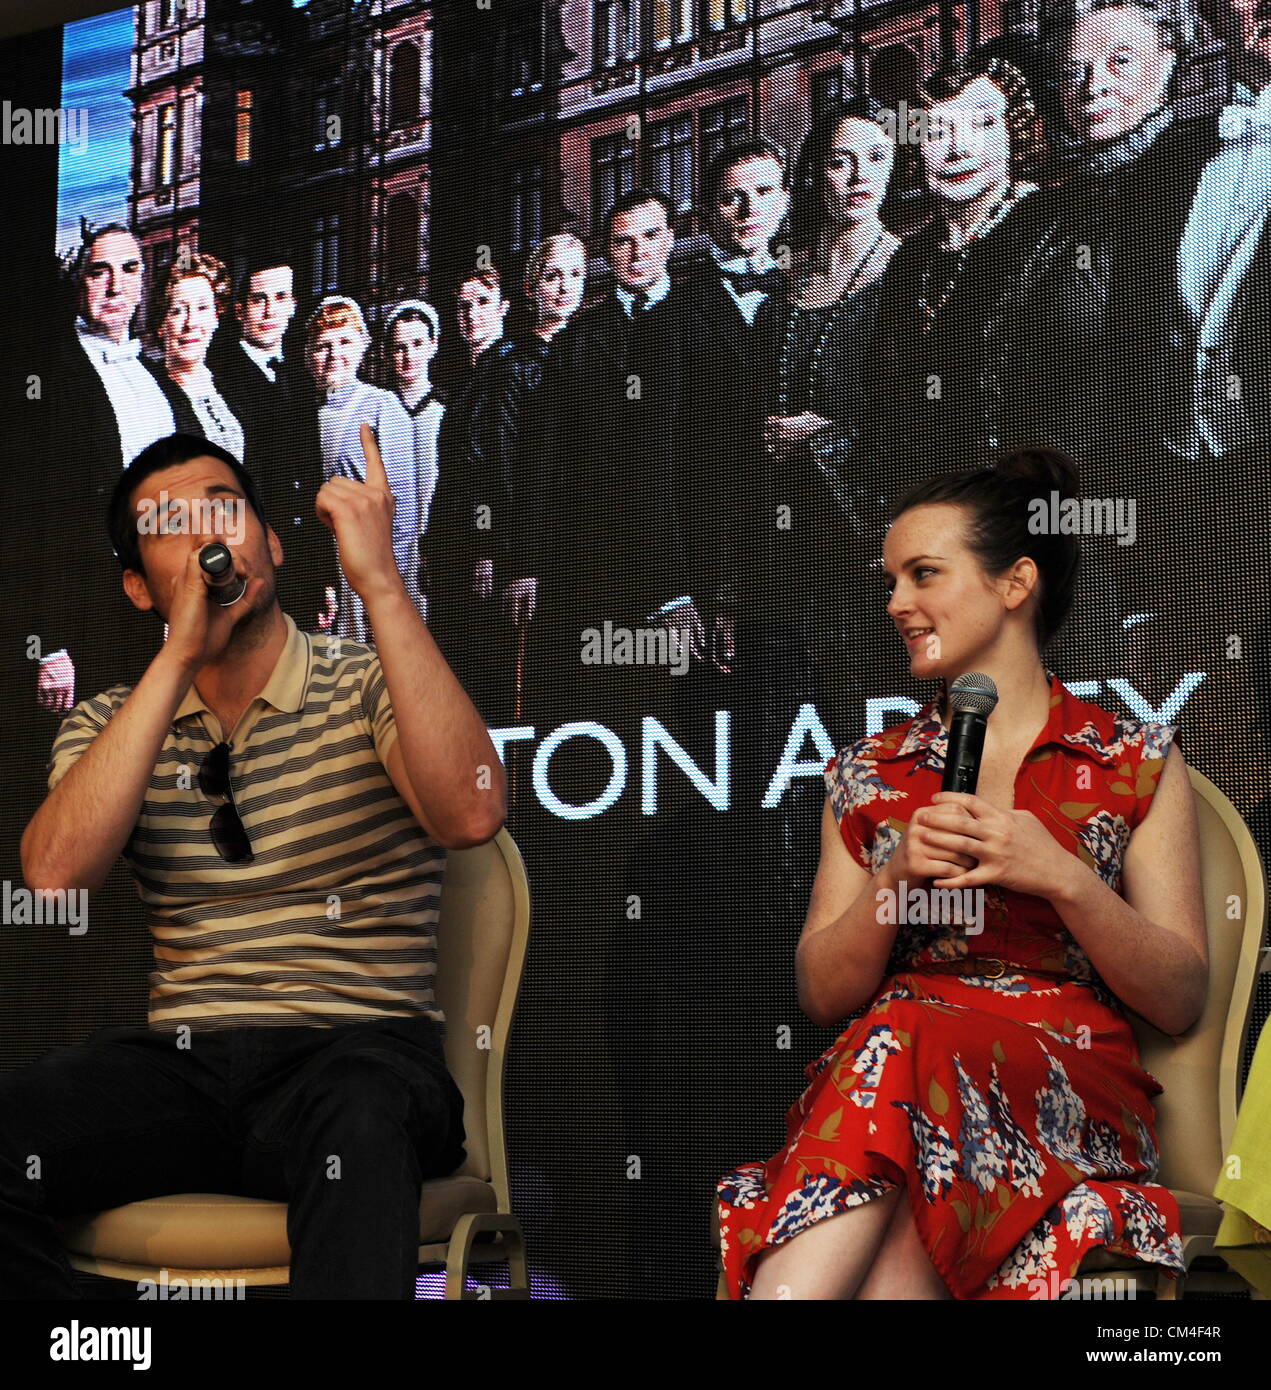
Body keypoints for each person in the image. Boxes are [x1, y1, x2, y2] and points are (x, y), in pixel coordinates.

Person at [9, 430, 505, 1299]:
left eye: (223, 507)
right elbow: (54, 882)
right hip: (188, 1071)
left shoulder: (367, 681)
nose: (207, 534)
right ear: (137, 586)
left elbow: (470, 812)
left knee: (359, 1113)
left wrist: (380, 585)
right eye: (171, 522)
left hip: (356, 1054)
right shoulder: (111, 721)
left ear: (270, 544)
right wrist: (179, 659)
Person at [716, 447, 1208, 1300]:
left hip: (1063, 1085)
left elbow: (1179, 995)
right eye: (891, 580)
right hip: (901, 1087)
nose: (896, 603)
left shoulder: (1131, 760)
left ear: (1014, 584)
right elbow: (822, 992)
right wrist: (892, 876)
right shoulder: (869, 773)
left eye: (922, 574)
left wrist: (1060, 875)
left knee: (903, 1033)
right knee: (903, 1047)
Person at [30, 224, 195, 715]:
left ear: (144, 283)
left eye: (129, 269)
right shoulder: (52, 372)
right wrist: (49, 642)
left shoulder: (154, 376)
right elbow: (31, 513)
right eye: (99, 271)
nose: (115, 284)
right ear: (81, 281)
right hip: (84, 616)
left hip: (154, 612)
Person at [866, 55, 1045, 483]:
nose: (959, 148)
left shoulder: (1053, 226)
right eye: (938, 131)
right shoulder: (909, 260)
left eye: (982, 125)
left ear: (1014, 132)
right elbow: (887, 405)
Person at [211, 255, 332, 633]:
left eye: (280, 298)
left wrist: (323, 574)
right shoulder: (219, 372)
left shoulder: (298, 374)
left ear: (293, 306)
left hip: (301, 562)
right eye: (259, 299)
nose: (269, 310)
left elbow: (313, 479)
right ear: (239, 310)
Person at [307, 295, 421, 641]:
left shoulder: (383, 407)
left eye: (345, 342)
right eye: (323, 345)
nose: (333, 354)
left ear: (363, 346)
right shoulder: (302, 411)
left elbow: (401, 510)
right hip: (321, 573)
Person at [499, 233, 588, 639]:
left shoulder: (600, 347)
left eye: (575, 273)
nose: (565, 286)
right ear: (531, 286)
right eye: (553, 275)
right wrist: (522, 561)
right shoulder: (512, 365)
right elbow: (508, 468)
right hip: (537, 540)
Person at [384, 299, 446, 622]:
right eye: (399, 347)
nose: (407, 356)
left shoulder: (445, 410)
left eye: (417, 344)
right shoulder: (379, 410)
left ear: (433, 345)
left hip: (430, 549)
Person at [157, 253, 246, 462]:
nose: (191, 323)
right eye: (178, 311)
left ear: (216, 317)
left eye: (203, 307)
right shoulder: (149, 392)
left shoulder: (234, 390)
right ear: (162, 324)